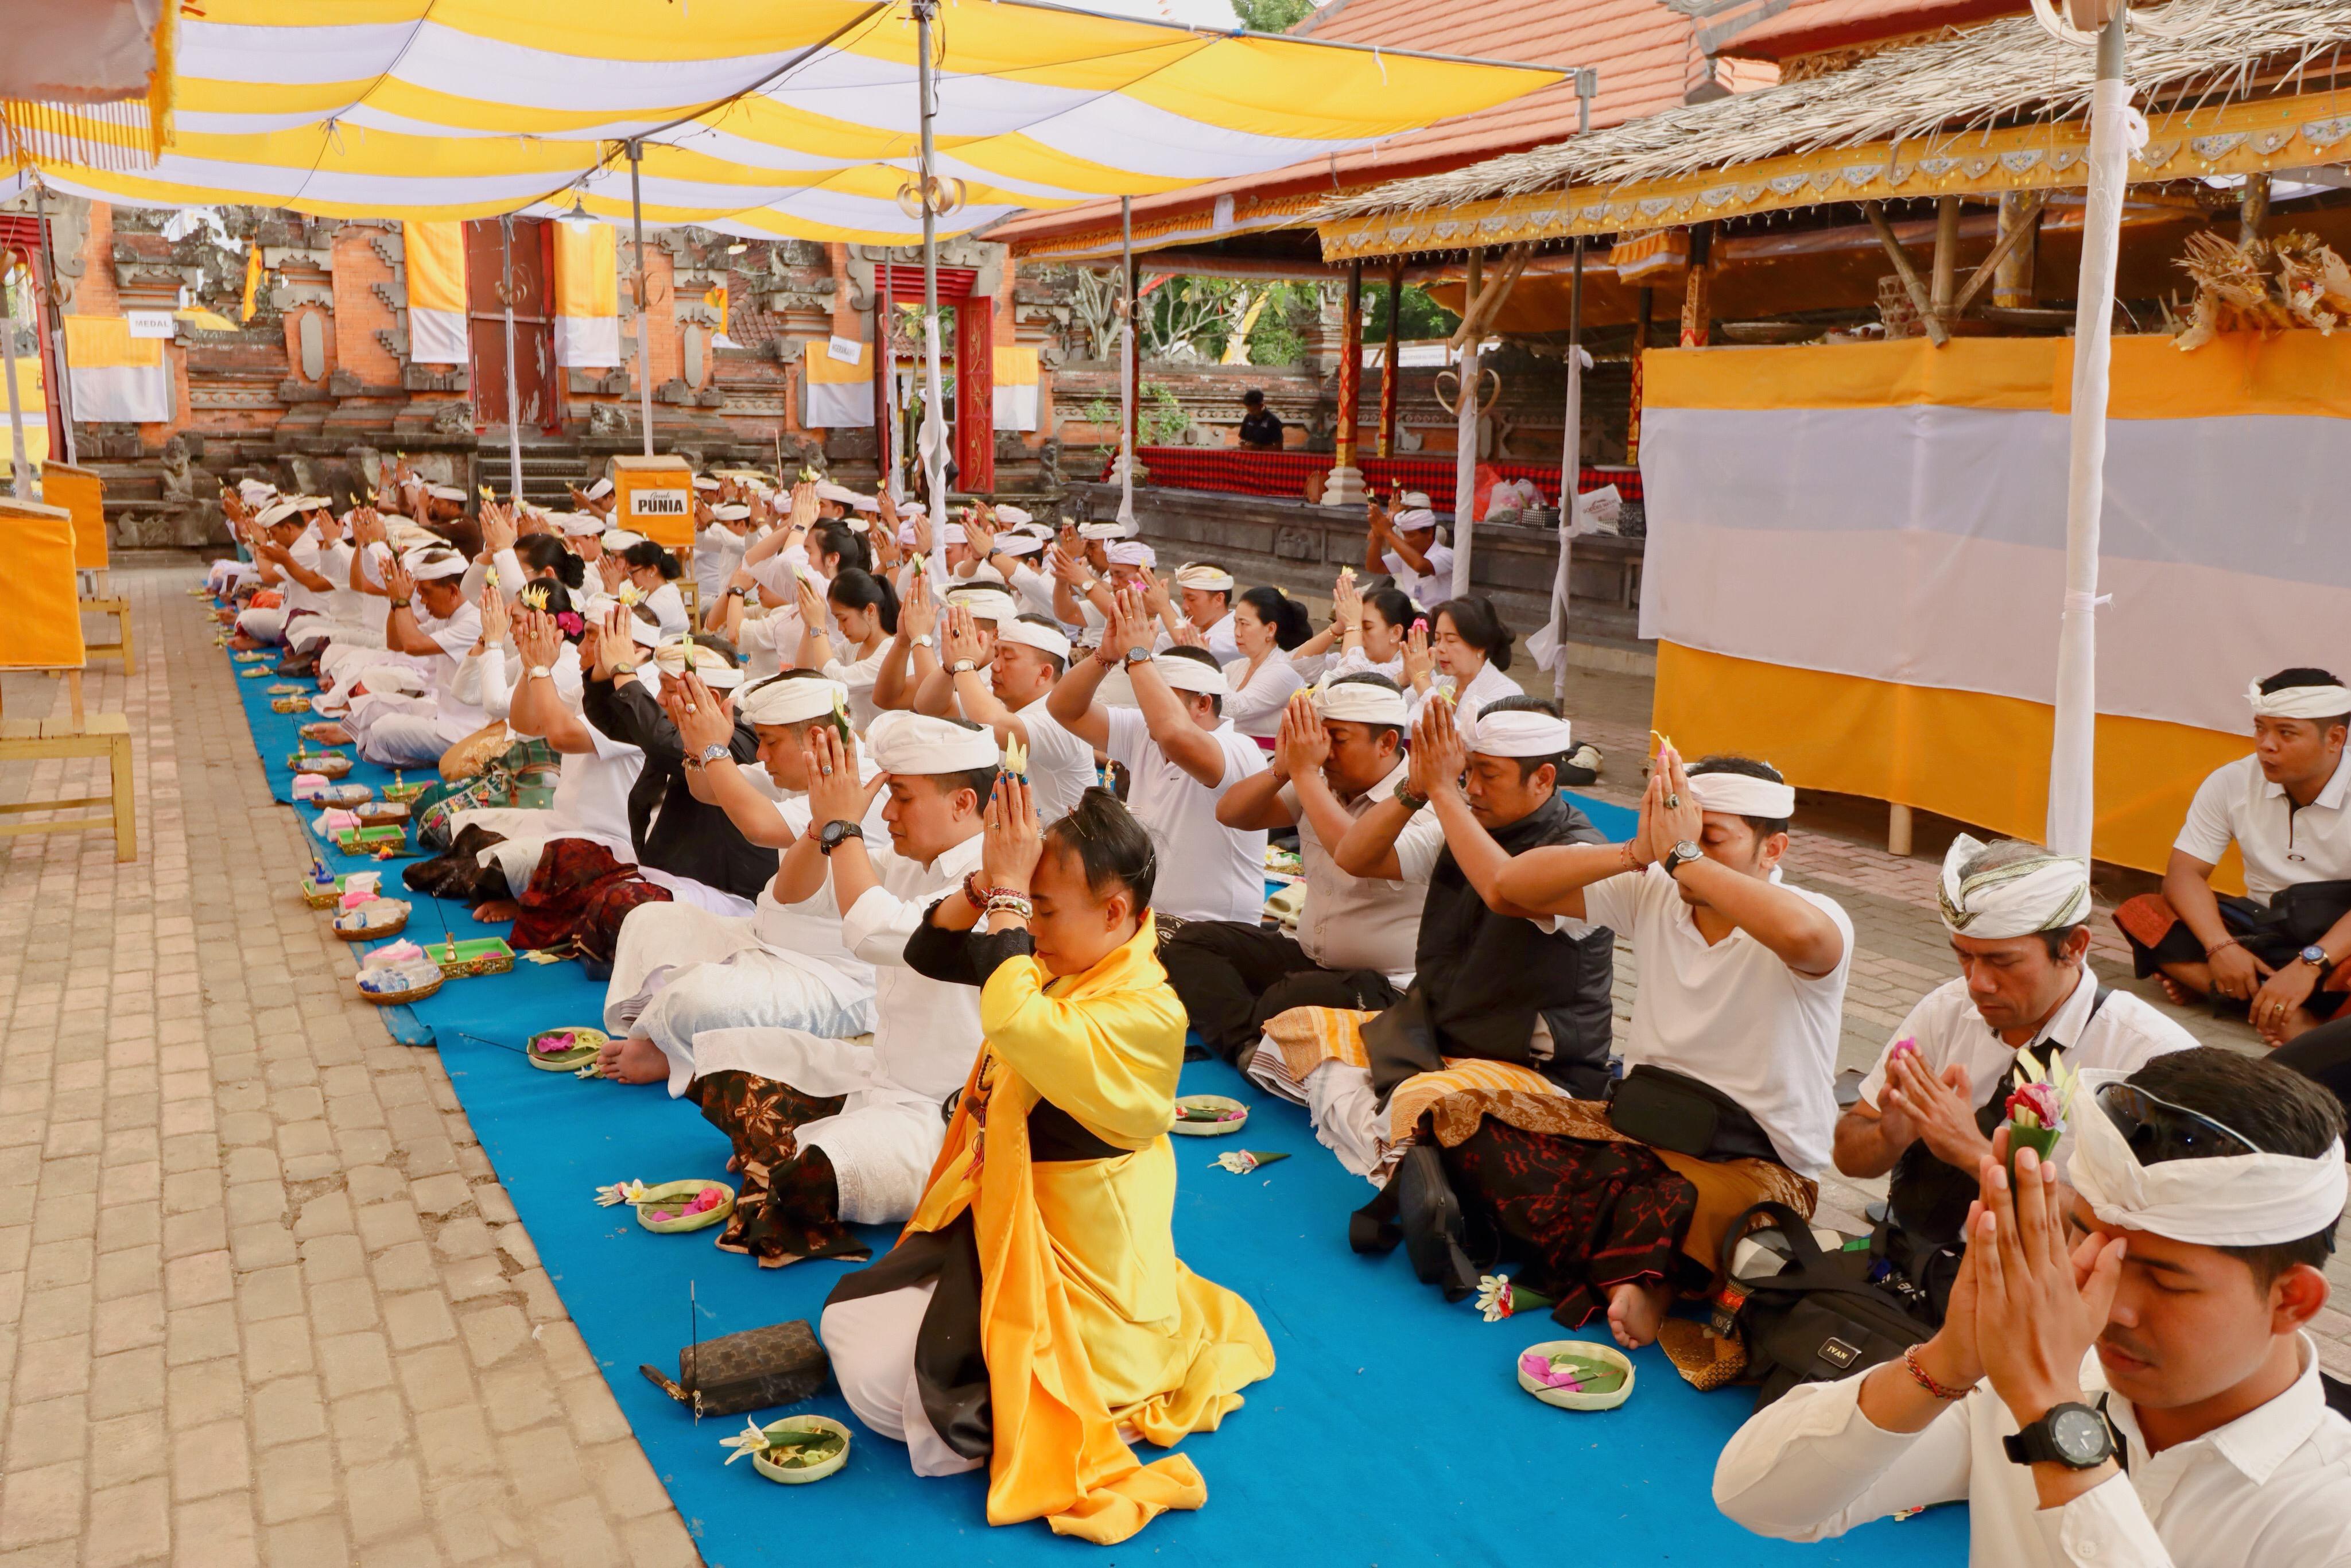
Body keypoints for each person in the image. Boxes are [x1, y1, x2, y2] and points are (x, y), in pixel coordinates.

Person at [820, 783, 1275, 1542]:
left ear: (1115, 912)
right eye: (1027, 906)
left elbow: (1012, 1017)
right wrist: (986, 887)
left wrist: (1004, 895)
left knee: (883, 1389)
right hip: (1010, 1232)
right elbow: (930, 952)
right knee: (855, 1327)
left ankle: (1070, 1404)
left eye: (1044, 908)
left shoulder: (1146, 1012)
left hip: (1083, 1280)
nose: (1028, 926)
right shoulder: (1066, 957)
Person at [1715, 1047, 2350, 1567]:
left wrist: (2053, 1420)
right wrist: (1945, 1360)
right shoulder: (2036, 1383)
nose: (2105, 1305)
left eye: (2164, 1279)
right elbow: (1756, 1497)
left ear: (2291, 1299)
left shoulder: (2330, 1509)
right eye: (2086, 1241)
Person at [1461, 748, 1852, 1345]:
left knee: (1671, 1197)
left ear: (1772, 850)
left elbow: (1807, 938)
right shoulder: (1656, 888)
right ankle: (1639, 1268)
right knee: (1474, 1121)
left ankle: (1648, 1282)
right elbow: (1508, 889)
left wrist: (1683, 857)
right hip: (1640, 1134)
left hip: (1753, 1167)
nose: (1684, 856)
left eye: (1709, 838)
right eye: (1681, 835)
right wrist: (1636, 851)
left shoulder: (1811, 914)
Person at [1248, 697, 1616, 1190]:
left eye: (1489, 775)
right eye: (1467, 774)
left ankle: (1408, 1153)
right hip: (1435, 1038)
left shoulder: (1583, 852)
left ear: (1545, 779)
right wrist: (1413, 789)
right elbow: (1355, 855)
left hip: (1537, 1070)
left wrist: (1444, 792)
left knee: (1422, 1104)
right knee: (1294, 1028)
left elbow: (1503, 886)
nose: (1474, 790)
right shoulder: (1458, 824)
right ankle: (1406, 1149)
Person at [679, 712, 995, 1264]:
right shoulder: (907, 862)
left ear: (962, 803)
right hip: (879, 1076)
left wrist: (843, 829)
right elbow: (792, 894)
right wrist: (820, 826)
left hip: (948, 1120)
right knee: (721, 1056)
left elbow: (877, 933)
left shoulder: (991, 881)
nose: (888, 815)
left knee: (810, 1175)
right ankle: (783, 1149)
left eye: (900, 797)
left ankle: (790, 1155)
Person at [1837, 836, 2195, 1322]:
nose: (1977, 983)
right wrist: (1889, 1135)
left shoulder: (2151, 1057)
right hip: (1912, 1271)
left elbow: (2143, 1242)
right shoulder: (1947, 1009)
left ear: (2074, 947)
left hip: (2050, 1304)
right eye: (1964, 956)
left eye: (2002, 962)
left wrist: (1973, 1152)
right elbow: (1848, 1158)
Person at [591, 670, 888, 1089]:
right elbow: (707, 790)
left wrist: (716, 748)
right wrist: (697, 749)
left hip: (834, 978)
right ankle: (666, 1033)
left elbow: (758, 826)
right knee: (650, 920)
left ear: (818, 737)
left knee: (698, 1000)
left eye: (770, 741)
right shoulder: (806, 767)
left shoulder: (855, 786)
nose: (761, 754)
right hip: (765, 938)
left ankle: (672, 1045)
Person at [1165, 675, 1434, 1065]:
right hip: (1310, 959)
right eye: (1317, 740)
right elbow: (1231, 813)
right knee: (1193, 941)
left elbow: (1350, 851)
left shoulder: (1420, 802)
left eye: (1337, 741)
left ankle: (1246, 1037)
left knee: (1290, 996)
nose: (1324, 754)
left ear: (1387, 743)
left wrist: (1306, 774)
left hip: (1386, 986)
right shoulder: (1319, 781)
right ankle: (1248, 1045)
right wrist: (1286, 767)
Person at [2115, 668, 2351, 1045]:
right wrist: (2220, 947)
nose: (2266, 745)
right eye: (2260, 728)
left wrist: (2309, 966)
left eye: (2286, 733)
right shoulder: (2232, 781)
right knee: (2144, 913)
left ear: (2335, 739)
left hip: (2338, 947)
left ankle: (2233, 994)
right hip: (2261, 934)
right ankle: (2286, 1014)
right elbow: (2183, 874)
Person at [1046, 589, 1270, 924]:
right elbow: (1064, 709)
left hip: (1214, 933)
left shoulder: (1238, 750)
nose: (1148, 709)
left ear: (1204, 704)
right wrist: (1105, 657)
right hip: (1147, 923)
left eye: (1160, 698)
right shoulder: (1145, 731)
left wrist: (1137, 656)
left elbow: (1175, 735)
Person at [578, 627, 774, 913]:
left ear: (713, 699)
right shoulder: (673, 729)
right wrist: (602, 669)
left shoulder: (741, 739)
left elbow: (665, 745)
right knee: (570, 860)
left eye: (670, 690)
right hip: (667, 876)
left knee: (621, 904)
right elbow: (613, 719)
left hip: (724, 895)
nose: (659, 699)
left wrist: (623, 670)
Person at [933, 608, 1099, 824]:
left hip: (1065, 851)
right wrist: (949, 667)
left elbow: (994, 724)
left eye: (1008, 658)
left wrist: (963, 664)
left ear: (1044, 673)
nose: (995, 666)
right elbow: (932, 706)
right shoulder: (1003, 704)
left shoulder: (1060, 720)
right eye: (996, 655)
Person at [343, 547, 487, 767]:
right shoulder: (447, 616)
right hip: (444, 714)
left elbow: (413, 645)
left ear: (452, 591)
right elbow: (396, 643)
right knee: (375, 706)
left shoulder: (473, 620)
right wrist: (396, 602)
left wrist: (402, 601)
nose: (421, 599)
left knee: (383, 730)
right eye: (417, 592)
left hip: (466, 731)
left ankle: (447, 761)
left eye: (425, 592)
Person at [1221, 585, 1312, 746]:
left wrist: (1204, 665)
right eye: (1236, 623)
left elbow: (1235, 709)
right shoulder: (1238, 666)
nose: (1237, 632)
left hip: (1267, 762)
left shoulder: (1283, 672)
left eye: (1244, 624)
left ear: (1270, 629)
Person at [1289, 572, 1410, 685]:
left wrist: (1353, 625)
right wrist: (1339, 626)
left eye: (1367, 627)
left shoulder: (1405, 666)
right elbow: (1299, 667)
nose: (1359, 634)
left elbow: (1351, 681)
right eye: (1358, 626)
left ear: (1396, 633)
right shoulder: (1356, 659)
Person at [1364, 492, 1453, 610]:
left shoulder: (1447, 555)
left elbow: (1420, 565)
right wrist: (1378, 536)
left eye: (1411, 536)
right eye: (1405, 536)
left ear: (1430, 533)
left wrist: (1387, 532)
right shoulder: (1404, 558)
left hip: (1437, 622)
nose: (1407, 541)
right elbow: (1373, 566)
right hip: (1411, 619)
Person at [1147, 562, 1242, 667]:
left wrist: (1164, 606)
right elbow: (1148, 647)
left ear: (1219, 599)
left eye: (1192, 599)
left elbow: (1190, 645)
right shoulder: (1191, 628)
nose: (1185, 606)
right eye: (1184, 599)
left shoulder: (1237, 631)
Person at [1236, 387, 1282, 451]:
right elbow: (1242, 438)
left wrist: (1259, 448)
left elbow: (1279, 447)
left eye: (1254, 411)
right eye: (1249, 411)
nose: (1251, 413)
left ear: (1261, 405)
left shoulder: (1273, 421)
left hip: (1264, 458)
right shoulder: (1248, 417)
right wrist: (1243, 443)